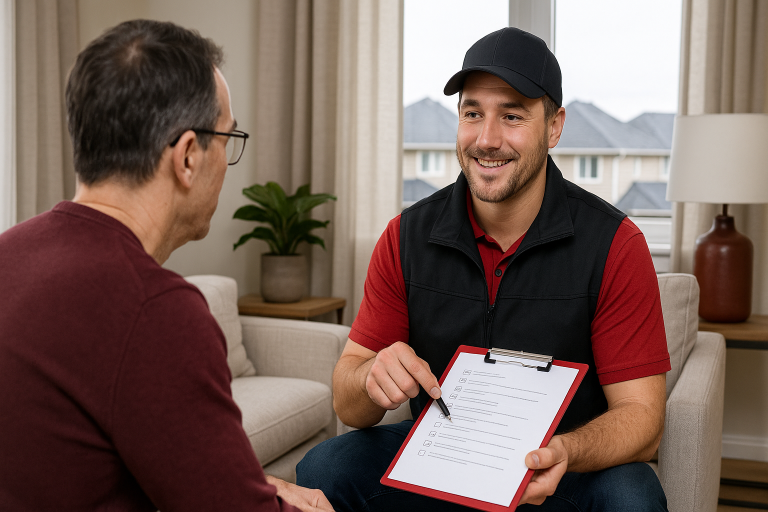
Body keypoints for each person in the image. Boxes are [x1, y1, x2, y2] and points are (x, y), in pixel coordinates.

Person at [297, 27, 671, 511]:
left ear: (554, 127)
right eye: (473, 113)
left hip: (559, 469)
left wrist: (566, 451)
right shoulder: (404, 236)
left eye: (512, 115)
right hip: (442, 453)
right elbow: (348, 404)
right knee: (324, 468)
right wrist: (371, 378)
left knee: (634, 498)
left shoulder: (615, 244)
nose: (487, 139)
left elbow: (643, 419)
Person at [0, 20, 332, 512]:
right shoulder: (155, 309)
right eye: (227, 137)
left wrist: (245, 482)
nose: (227, 159)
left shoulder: (9, 251)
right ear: (188, 157)